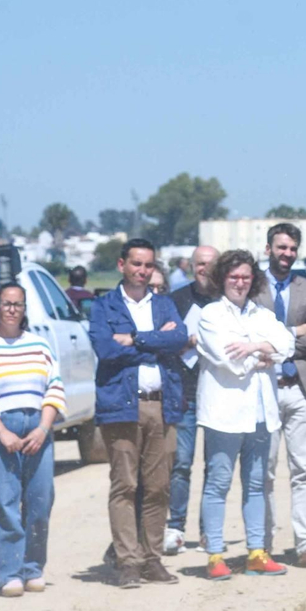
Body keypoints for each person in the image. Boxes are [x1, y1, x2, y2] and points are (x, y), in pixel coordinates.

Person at [88, 238, 189, 589]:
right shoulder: (103, 306)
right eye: (136, 264)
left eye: (148, 265)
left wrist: (133, 339)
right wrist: (155, 341)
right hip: (122, 405)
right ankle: (128, 561)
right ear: (122, 265)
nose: (143, 271)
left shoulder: (164, 304)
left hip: (162, 403)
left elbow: (179, 338)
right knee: (126, 485)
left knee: (158, 486)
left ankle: (152, 558)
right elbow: (106, 349)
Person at [193, 249, 295, 581]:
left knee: (256, 484)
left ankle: (256, 553)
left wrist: (253, 346)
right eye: (234, 277)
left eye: (246, 277)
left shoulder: (261, 314)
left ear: (254, 280)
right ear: (222, 278)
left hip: (261, 412)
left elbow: (287, 344)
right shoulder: (210, 315)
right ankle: (215, 555)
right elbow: (230, 362)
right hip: (224, 413)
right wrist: (266, 353)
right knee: (218, 483)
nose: (240, 283)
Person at [0, 282, 66, 596]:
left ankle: (33, 568)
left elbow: (54, 388)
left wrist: (43, 428)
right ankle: (9, 573)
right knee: (6, 502)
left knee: (40, 500)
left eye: (18, 304)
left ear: (24, 309)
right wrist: (2, 432)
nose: (12, 310)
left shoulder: (40, 346)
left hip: (37, 428)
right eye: (6, 304)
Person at [253, 222, 306, 568]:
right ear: (268, 249)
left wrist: (274, 343)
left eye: (292, 248)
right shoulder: (252, 287)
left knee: (304, 470)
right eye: (281, 247)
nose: (287, 254)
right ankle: (262, 545)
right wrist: (294, 332)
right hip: (263, 389)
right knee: (263, 472)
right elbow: (248, 335)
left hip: (300, 389)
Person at [163, 244, 218, 556]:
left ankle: (209, 530)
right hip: (185, 392)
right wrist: (187, 339)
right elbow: (166, 338)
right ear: (192, 266)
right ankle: (176, 527)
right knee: (181, 463)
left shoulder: (226, 299)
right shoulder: (177, 299)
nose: (204, 269)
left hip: (216, 393)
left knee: (214, 465)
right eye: (199, 263)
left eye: (210, 263)